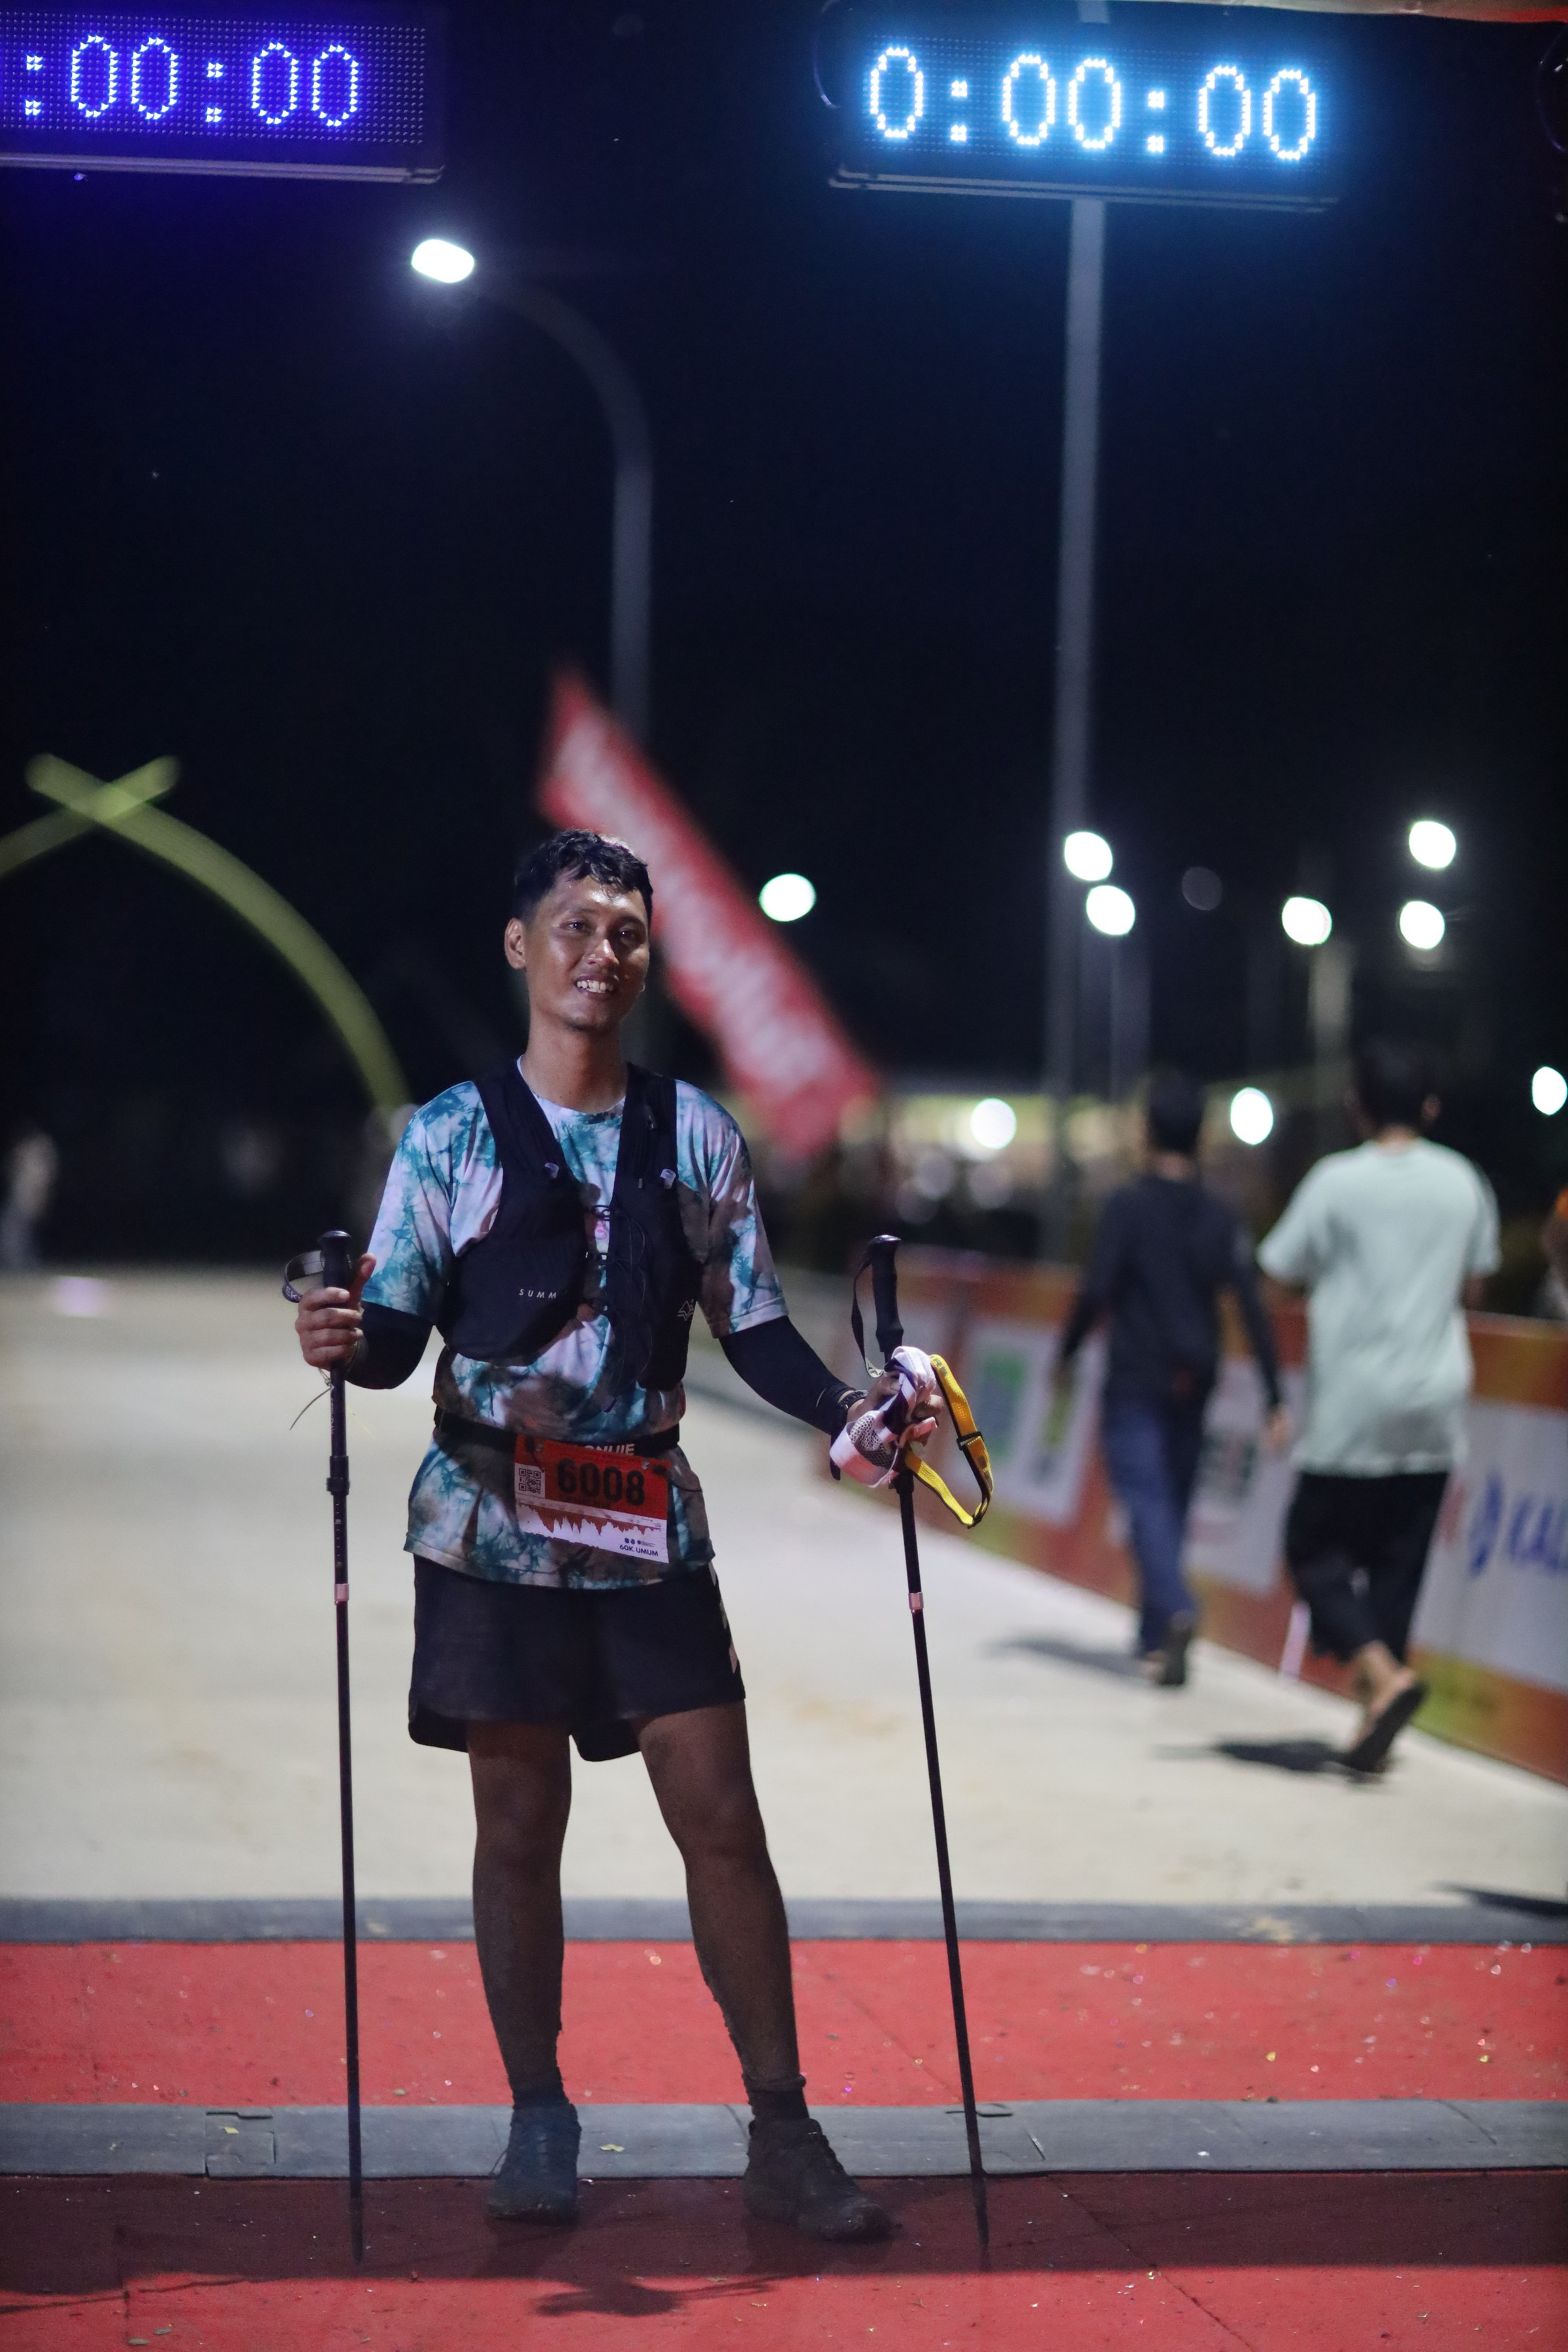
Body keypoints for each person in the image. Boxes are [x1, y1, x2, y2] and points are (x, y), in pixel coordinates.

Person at [294, 828, 935, 2240]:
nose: (604, 952)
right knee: (519, 1824)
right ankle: (539, 2116)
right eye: (577, 926)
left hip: (648, 1518)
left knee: (723, 1816)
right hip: (490, 1524)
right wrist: (340, 1338)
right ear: (520, 946)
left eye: (628, 932)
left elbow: (753, 1328)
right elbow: (392, 1341)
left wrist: (850, 1410)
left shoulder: (696, 1133)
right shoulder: (449, 1136)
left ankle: (783, 2131)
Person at [1259, 1037, 1500, 1773]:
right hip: (1435, 1400)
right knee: (1398, 1568)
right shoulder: (1464, 1181)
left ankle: (1382, 1677)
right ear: (1430, 1107)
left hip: (1353, 1403)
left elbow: (1277, 1273)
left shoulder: (1335, 1182)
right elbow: (1475, 1286)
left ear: (1355, 1105)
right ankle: (1374, 1720)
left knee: (1310, 1548)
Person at [1052, 1070, 1288, 1688]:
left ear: (1146, 1133)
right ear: (1202, 1136)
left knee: (1145, 1497)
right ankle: (1156, 1634)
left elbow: (1097, 1289)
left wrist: (1067, 1353)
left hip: (1137, 1373)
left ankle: (1176, 1608)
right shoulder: (1221, 1212)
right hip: (1197, 1373)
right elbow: (1250, 1303)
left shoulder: (1128, 1206)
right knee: (1174, 1501)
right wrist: (1275, 1395)